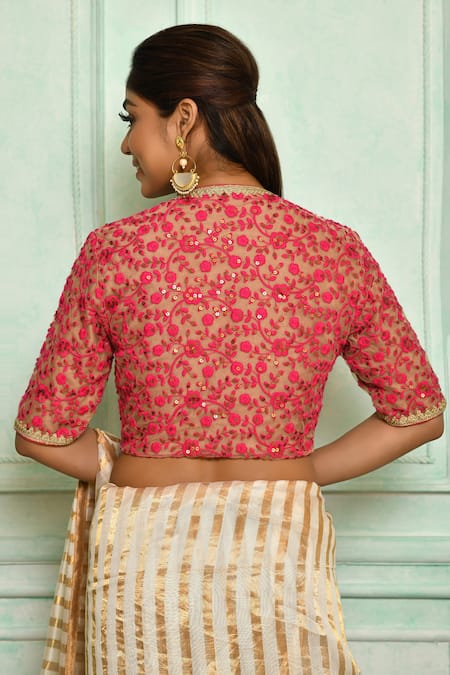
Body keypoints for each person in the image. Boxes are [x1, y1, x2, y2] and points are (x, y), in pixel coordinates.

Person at [15, 24, 445, 675]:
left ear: (184, 117)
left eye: (133, 117)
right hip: (283, 558)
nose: (127, 142)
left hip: (140, 563)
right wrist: (293, 469)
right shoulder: (332, 249)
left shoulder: (115, 251)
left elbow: (41, 435)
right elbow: (419, 413)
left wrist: (128, 461)